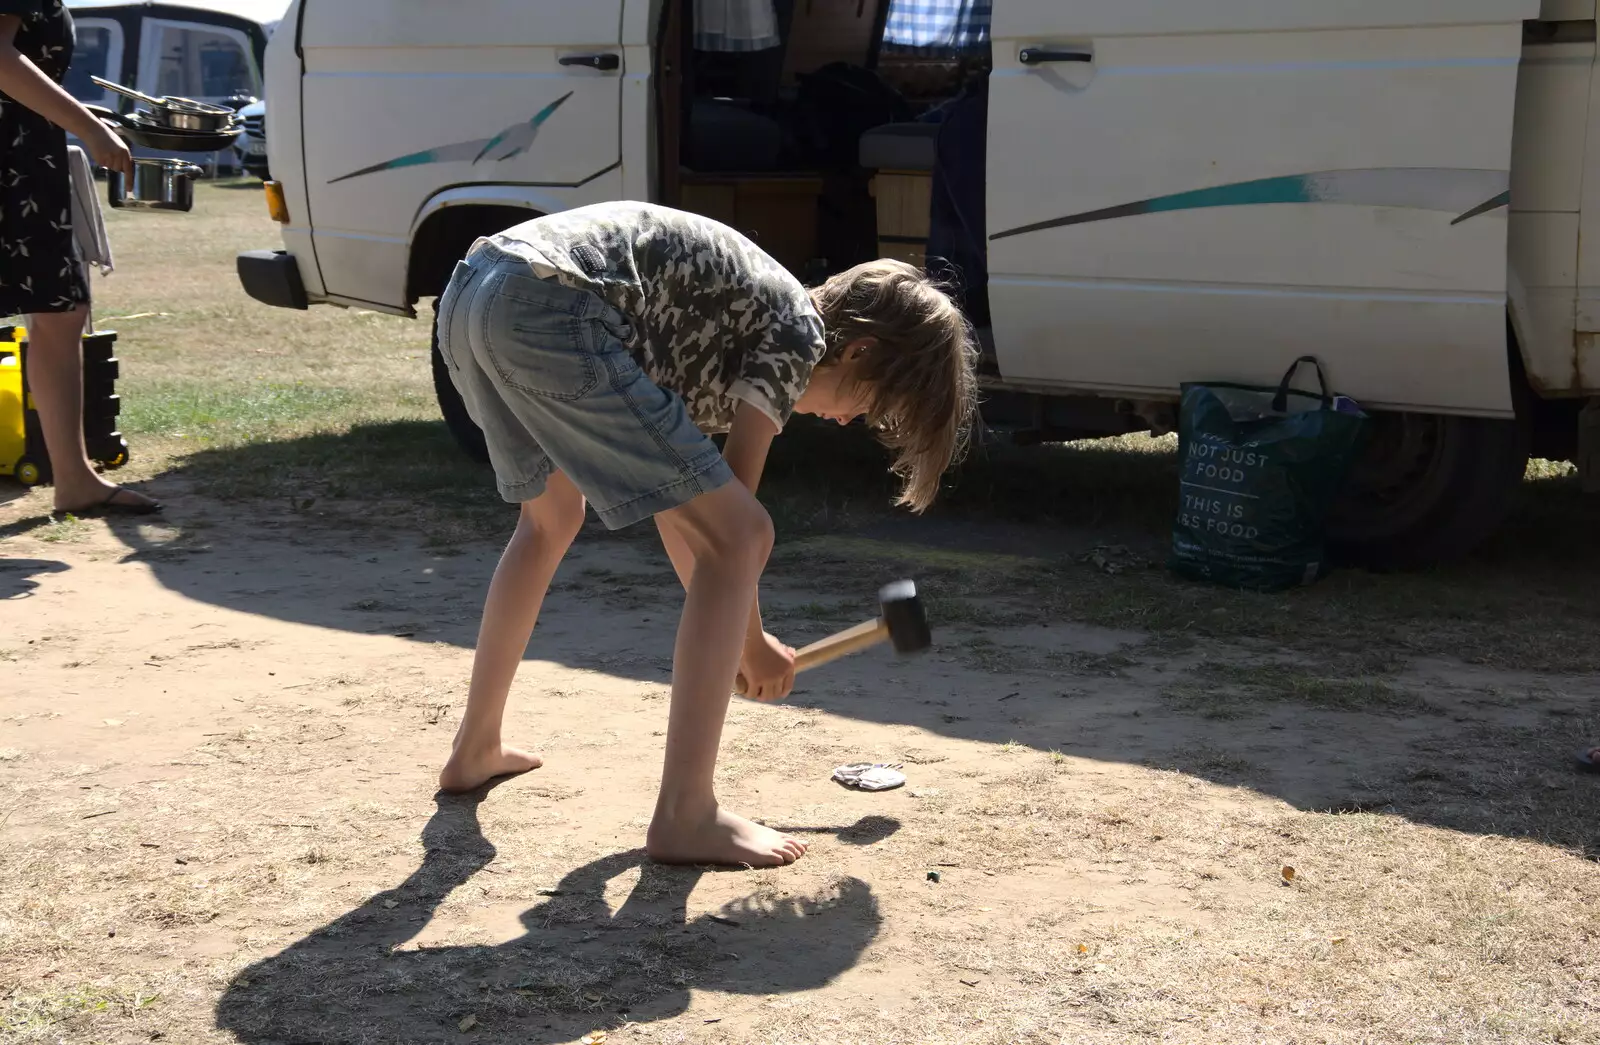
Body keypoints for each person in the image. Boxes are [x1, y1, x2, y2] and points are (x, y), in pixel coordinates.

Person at [434, 201, 978, 868]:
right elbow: (733, 526)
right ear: (858, 349)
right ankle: (687, 811)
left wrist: (747, 642)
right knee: (746, 531)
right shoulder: (796, 330)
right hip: (551, 306)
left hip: (476, 294)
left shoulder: (724, 326)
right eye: (865, 402)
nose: (845, 421)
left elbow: (683, 513)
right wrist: (751, 644)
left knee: (550, 518)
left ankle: (475, 746)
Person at [0, 0, 158, 517]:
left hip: (27, 159)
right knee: (56, 309)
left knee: (58, 310)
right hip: (12, 165)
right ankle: (72, 478)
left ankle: (74, 479)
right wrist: (89, 129)